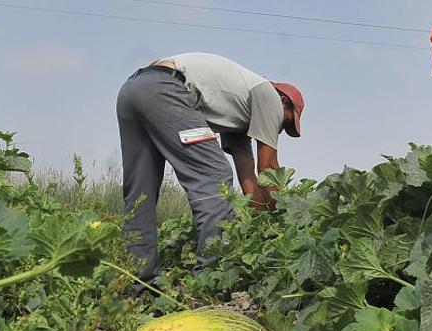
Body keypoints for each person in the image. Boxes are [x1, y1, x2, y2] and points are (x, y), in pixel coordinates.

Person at [116, 53, 304, 293]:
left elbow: (249, 184)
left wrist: (262, 226)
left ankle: (138, 287)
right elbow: (268, 170)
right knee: (216, 177)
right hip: (168, 90)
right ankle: (207, 280)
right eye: (285, 123)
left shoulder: (237, 117)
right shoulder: (268, 95)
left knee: (139, 192)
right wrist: (285, 218)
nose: (278, 128)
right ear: (284, 103)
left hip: (134, 88)